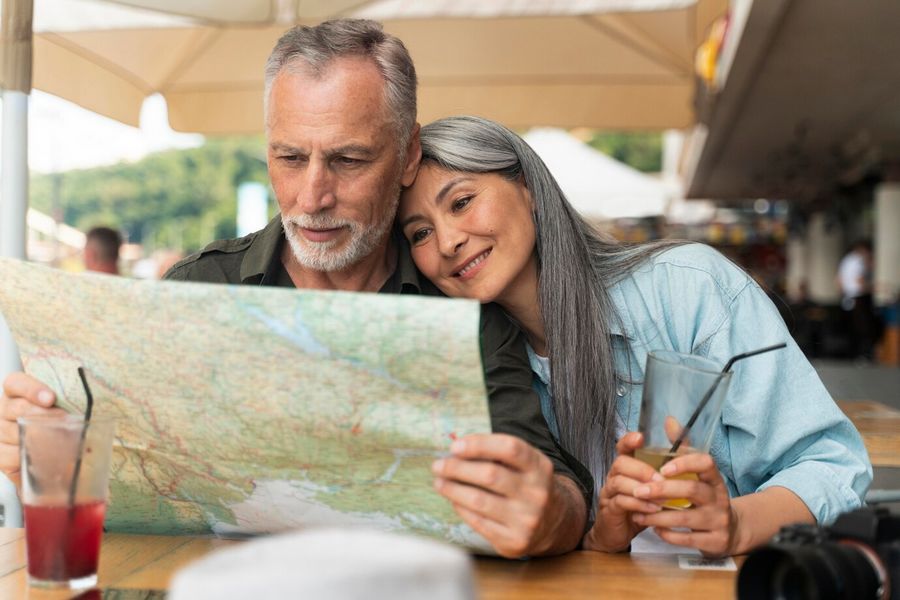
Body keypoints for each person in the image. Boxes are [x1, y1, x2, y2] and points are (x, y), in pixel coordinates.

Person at [0, 20, 591, 558]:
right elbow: (117, 493)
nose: (311, 198)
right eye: (288, 156)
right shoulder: (198, 289)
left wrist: (550, 515)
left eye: (349, 159)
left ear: (409, 154)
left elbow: (559, 487)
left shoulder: (465, 309)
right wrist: (45, 443)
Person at [397, 115, 872, 557]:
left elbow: (832, 464)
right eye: (419, 234)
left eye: (461, 203)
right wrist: (603, 536)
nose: (447, 241)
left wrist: (735, 524)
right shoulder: (472, 368)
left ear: (528, 187)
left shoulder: (688, 289)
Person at [838, 240, 879, 360]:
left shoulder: (846, 260)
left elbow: (839, 280)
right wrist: (874, 288)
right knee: (864, 327)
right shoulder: (858, 261)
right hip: (859, 297)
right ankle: (864, 355)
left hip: (848, 297)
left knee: (852, 328)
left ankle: (853, 354)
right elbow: (859, 281)